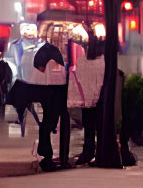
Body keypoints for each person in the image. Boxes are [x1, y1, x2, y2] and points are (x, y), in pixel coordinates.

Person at [33, 28, 72, 171]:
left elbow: (37, 68)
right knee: (50, 121)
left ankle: (46, 152)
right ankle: (47, 153)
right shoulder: (55, 54)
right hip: (57, 92)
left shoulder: (45, 52)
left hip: (48, 92)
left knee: (48, 121)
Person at [72, 36, 107, 165]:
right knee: (101, 128)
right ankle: (100, 153)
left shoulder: (81, 61)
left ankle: (87, 152)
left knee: (89, 129)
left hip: (86, 100)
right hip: (101, 100)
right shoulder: (104, 62)